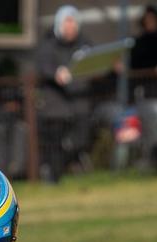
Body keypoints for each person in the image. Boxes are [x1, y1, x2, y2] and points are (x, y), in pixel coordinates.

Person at [35, 5, 92, 182]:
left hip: (78, 101)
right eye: (66, 23)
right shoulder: (48, 45)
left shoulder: (84, 45)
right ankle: (53, 177)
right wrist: (55, 74)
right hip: (55, 104)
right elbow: (43, 68)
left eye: (73, 23)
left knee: (81, 138)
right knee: (54, 143)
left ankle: (71, 163)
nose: (70, 28)